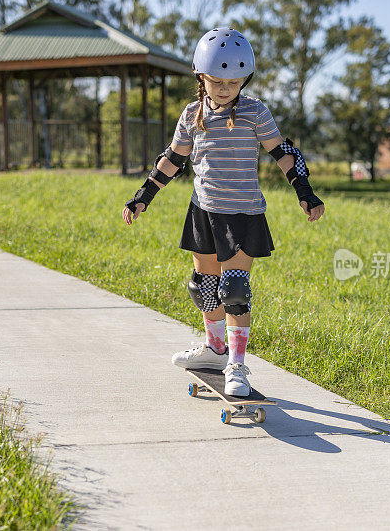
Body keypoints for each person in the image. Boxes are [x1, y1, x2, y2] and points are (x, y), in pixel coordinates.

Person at [121, 27, 325, 397]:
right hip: (203, 211)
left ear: (245, 79)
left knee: (235, 290)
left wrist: (305, 192)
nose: (226, 88)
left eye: (234, 81)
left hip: (243, 215)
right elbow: (173, 159)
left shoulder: (254, 112)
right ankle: (215, 350)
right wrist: (143, 196)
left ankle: (237, 364)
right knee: (206, 289)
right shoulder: (192, 115)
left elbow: (283, 152)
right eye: (217, 81)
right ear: (201, 76)